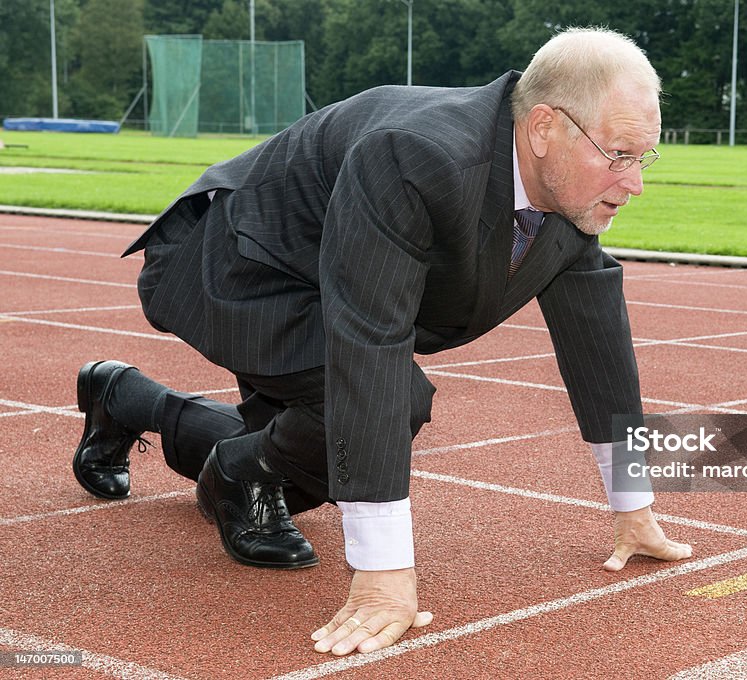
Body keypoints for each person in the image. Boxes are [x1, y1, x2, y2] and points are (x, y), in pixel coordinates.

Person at [71, 26, 693, 656]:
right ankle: (237, 470)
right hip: (239, 264)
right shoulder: (417, 155)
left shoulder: (564, 197)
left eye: (644, 157)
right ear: (542, 128)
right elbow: (369, 337)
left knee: (320, 449)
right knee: (391, 400)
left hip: (318, 276)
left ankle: (128, 399)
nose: (633, 182)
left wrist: (633, 506)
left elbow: (598, 342)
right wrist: (382, 574)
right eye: (618, 154)